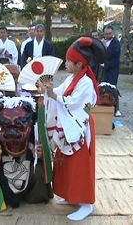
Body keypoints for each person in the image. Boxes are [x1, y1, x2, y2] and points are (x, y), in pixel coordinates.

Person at [39, 37, 106, 221]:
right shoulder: (72, 78)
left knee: (80, 166)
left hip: (78, 128)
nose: (66, 63)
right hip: (69, 126)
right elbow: (60, 92)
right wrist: (47, 90)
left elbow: (75, 103)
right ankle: (71, 195)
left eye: (69, 61)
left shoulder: (85, 83)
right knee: (66, 164)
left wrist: (53, 95)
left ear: (78, 64)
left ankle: (86, 203)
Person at [0, 96, 54, 208]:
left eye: (19, 125)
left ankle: (33, 192)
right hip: (4, 168)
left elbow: (50, 155)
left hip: (29, 168)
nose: (13, 132)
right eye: (6, 126)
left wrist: (42, 156)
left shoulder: (37, 129)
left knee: (38, 170)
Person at [101, 25, 121, 117]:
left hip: (112, 68)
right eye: (106, 33)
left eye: (109, 33)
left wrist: (105, 47)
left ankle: (117, 109)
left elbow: (113, 54)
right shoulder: (102, 41)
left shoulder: (116, 42)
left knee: (113, 88)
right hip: (103, 68)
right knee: (102, 87)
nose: (108, 35)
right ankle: (104, 105)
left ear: (112, 33)